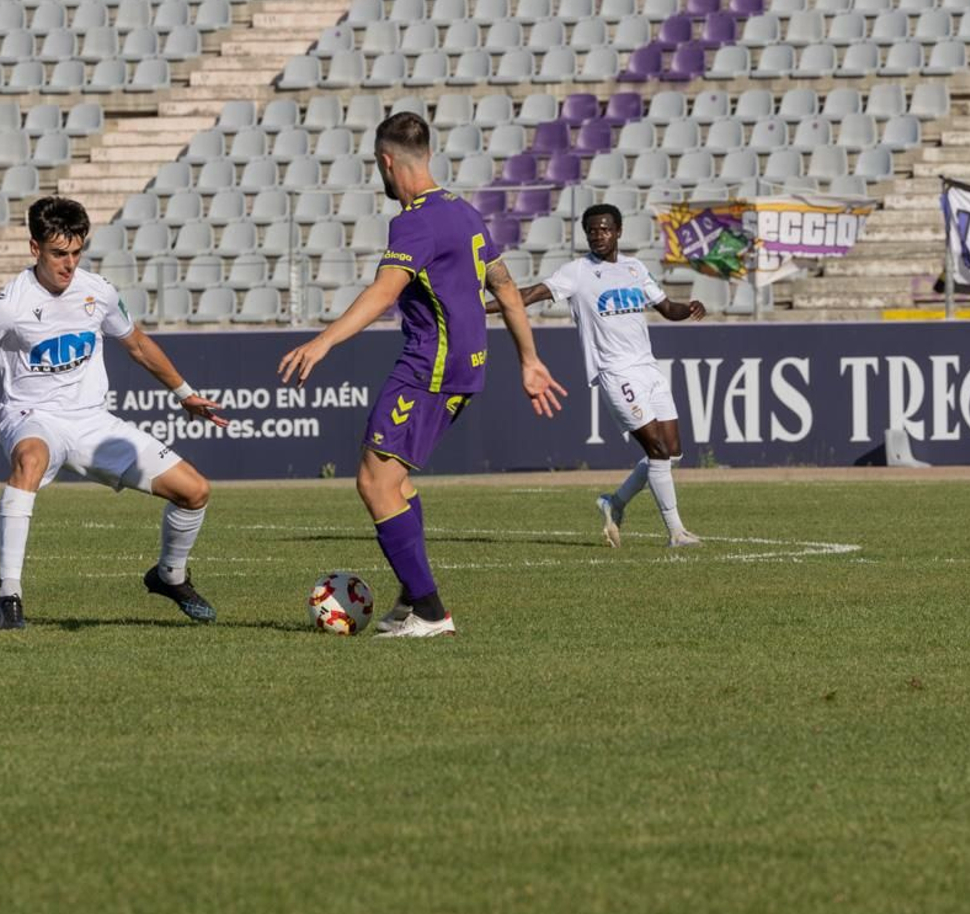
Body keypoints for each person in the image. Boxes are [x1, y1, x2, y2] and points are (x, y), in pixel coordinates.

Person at [277, 112, 567, 639]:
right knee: (396, 481)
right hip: (463, 367)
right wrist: (530, 359)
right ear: (426, 155)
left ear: (386, 162)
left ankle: (431, 612)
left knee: (373, 481)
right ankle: (413, 600)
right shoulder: (464, 211)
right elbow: (504, 287)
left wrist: (323, 340)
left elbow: (385, 291)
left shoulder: (414, 221)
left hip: (430, 368)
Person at [0, 196, 228, 630]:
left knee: (195, 492)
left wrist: (184, 393)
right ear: (34, 248)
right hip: (32, 416)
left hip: (93, 421)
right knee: (30, 460)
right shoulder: (10, 303)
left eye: (77, 252)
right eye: (59, 254)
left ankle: (169, 576)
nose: (69, 264)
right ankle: (9, 596)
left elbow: (136, 345)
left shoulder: (98, 292)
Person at [516, 202, 705, 548]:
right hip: (615, 373)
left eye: (604, 229)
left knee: (673, 452)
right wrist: (479, 306)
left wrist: (689, 307)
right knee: (658, 449)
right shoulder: (577, 272)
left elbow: (666, 308)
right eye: (591, 230)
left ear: (618, 231)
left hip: (648, 369)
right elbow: (528, 296)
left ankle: (613, 503)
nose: (598, 235)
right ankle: (676, 532)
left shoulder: (635, 269)